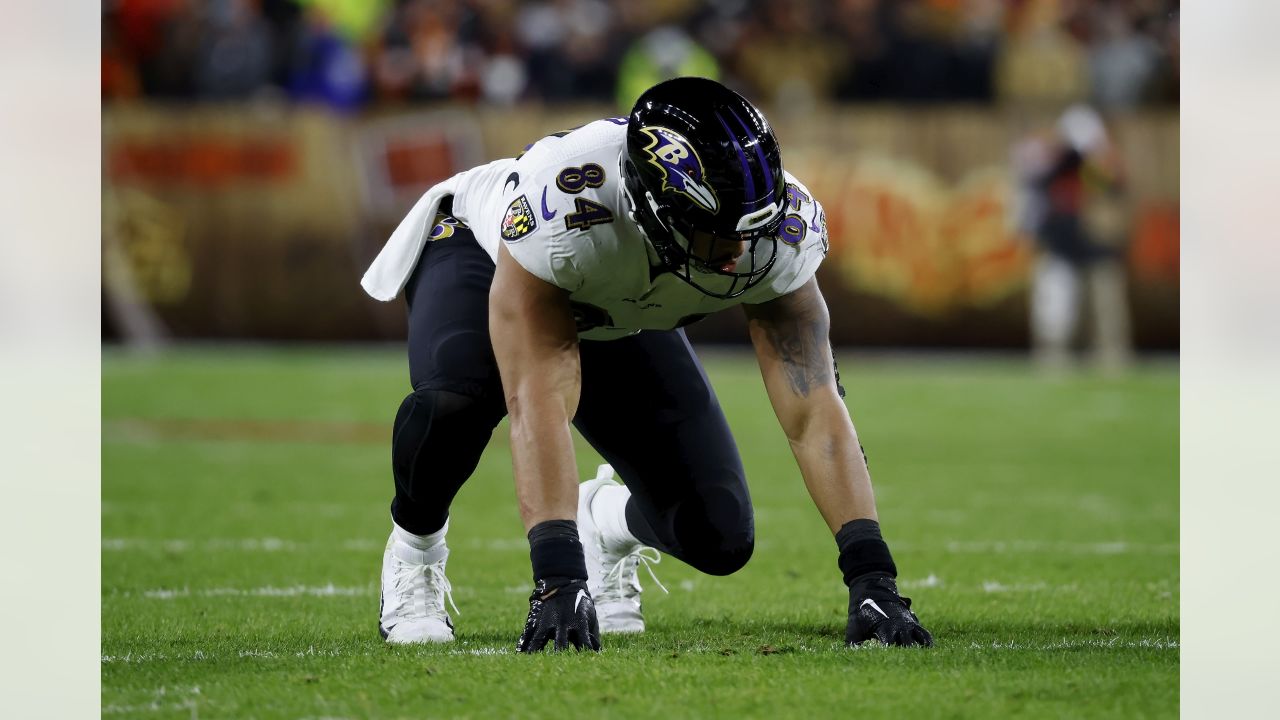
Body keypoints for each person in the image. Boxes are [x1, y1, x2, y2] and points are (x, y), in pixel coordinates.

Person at [361, 77, 934, 652]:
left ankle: (606, 523)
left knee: (717, 533)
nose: (740, 252)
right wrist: (559, 581)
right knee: (457, 399)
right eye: (719, 232)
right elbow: (536, 402)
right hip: (484, 253)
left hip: (614, 304)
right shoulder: (561, 211)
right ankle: (415, 551)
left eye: (752, 225)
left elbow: (813, 408)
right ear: (656, 209)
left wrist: (872, 578)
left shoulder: (775, 230)